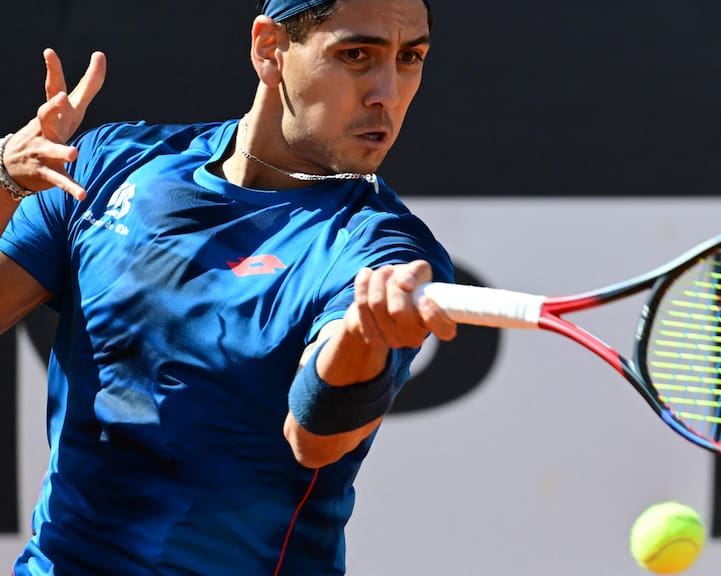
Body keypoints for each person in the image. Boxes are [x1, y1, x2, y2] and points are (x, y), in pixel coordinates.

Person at [0, 0, 456, 574]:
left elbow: (317, 438)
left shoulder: (382, 249)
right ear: (270, 49)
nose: (387, 93)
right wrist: (5, 181)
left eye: (410, 58)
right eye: (356, 55)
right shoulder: (106, 163)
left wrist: (362, 339)